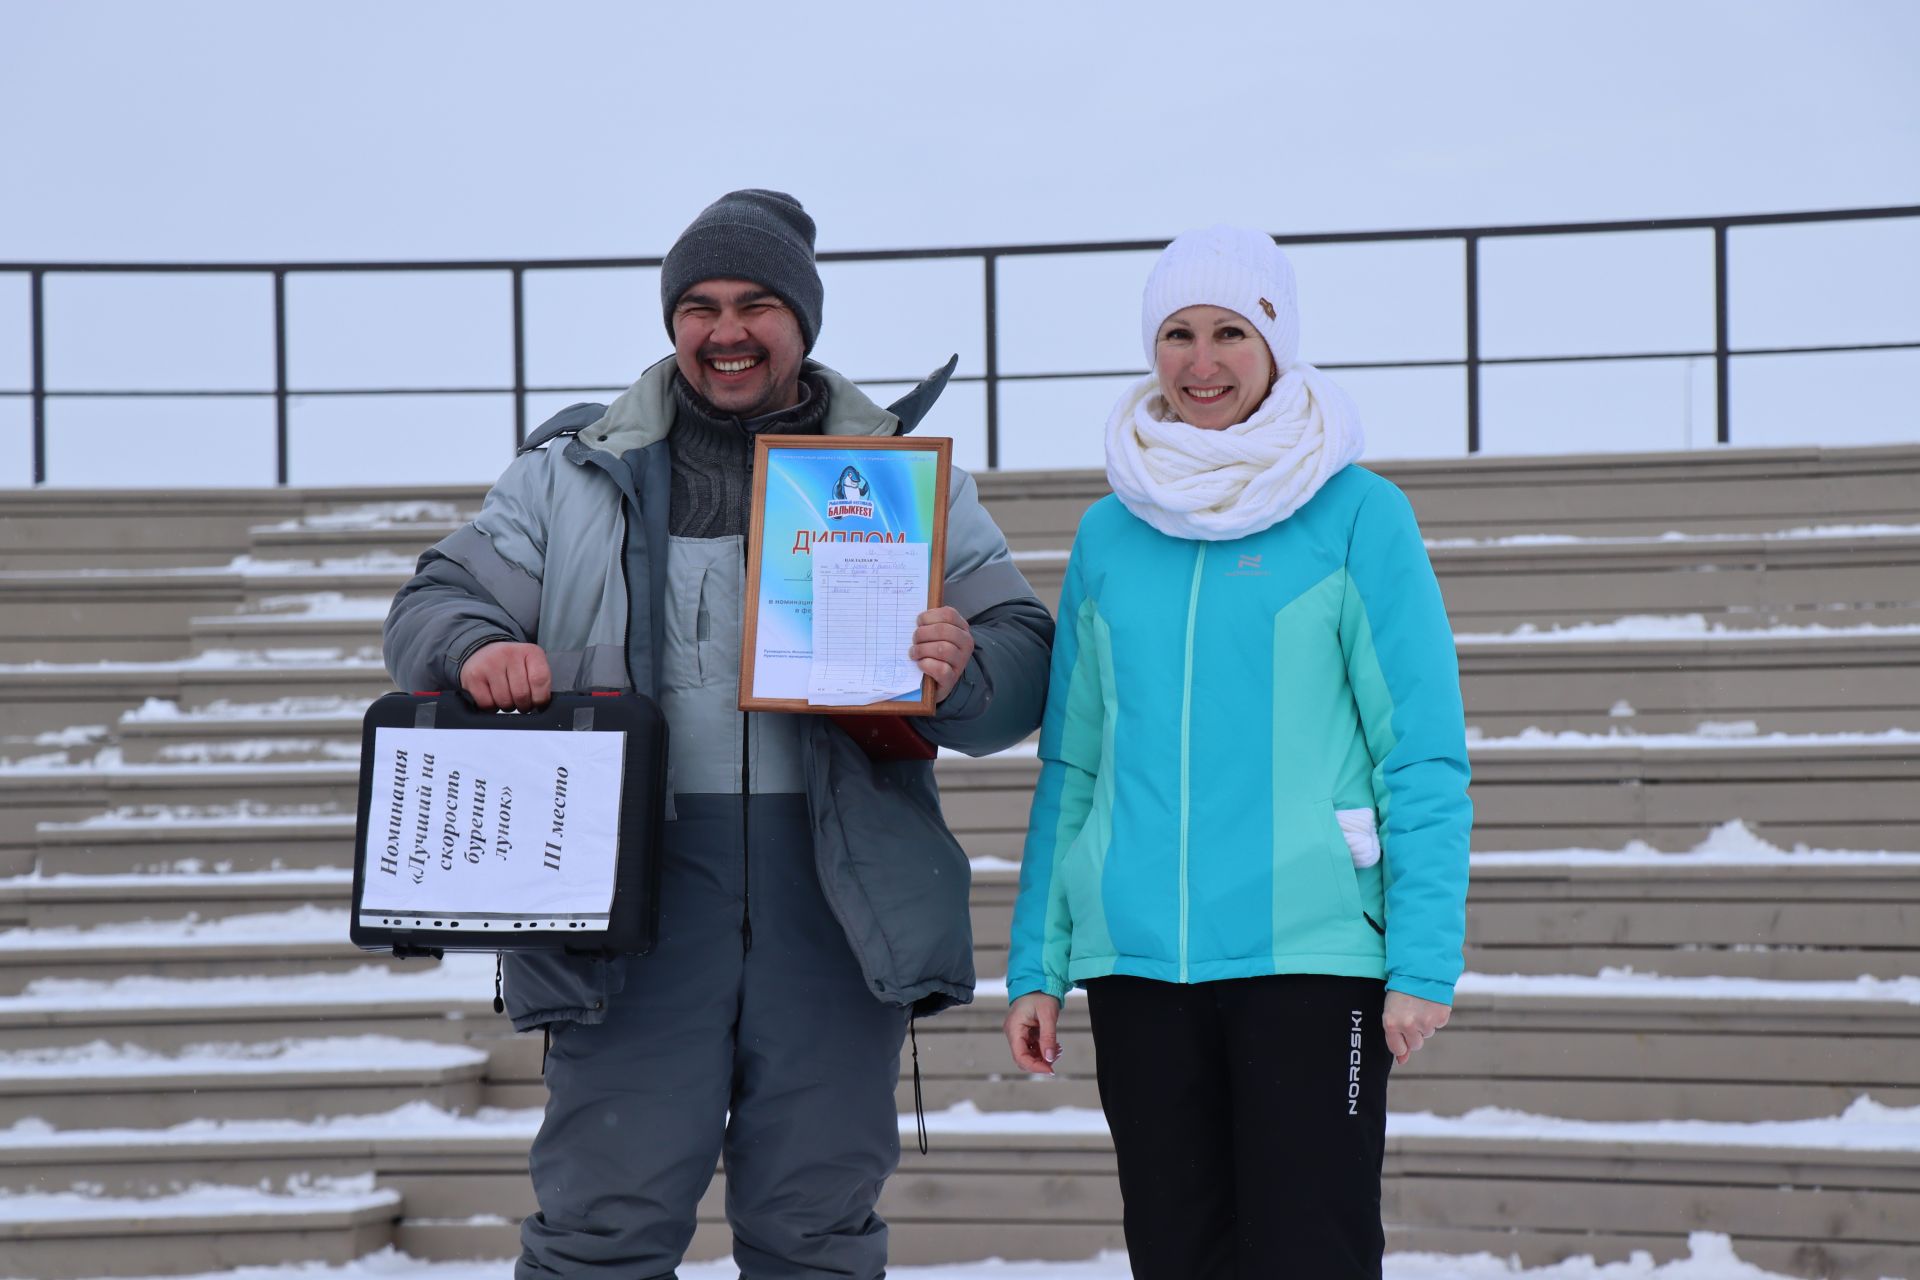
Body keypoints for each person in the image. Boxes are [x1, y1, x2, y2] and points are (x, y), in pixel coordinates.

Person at [385, 189, 1054, 1280]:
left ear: (803, 321)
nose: (725, 330)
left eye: (755, 304)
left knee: (816, 1232)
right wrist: (471, 648)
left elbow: (1023, 650)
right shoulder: (573, 474)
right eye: (697, 305)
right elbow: (430, 602)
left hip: (836, 902)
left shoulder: (893, 476)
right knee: (602, 1223)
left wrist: (961, 667)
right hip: (631, 897)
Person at [1001, 225, 1470, 1279]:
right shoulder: (1110, 531)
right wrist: (1039, 961)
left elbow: (1423, 753)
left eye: (1229, 332)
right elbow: (1074, 765)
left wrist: (1423, 957)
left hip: (1310, 956)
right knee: (1177, 1254)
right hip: (1139, 966)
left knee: (1312, 1252)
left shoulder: (1358, 513)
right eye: (1177, 333)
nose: (1200, 362)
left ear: (1276, 343)